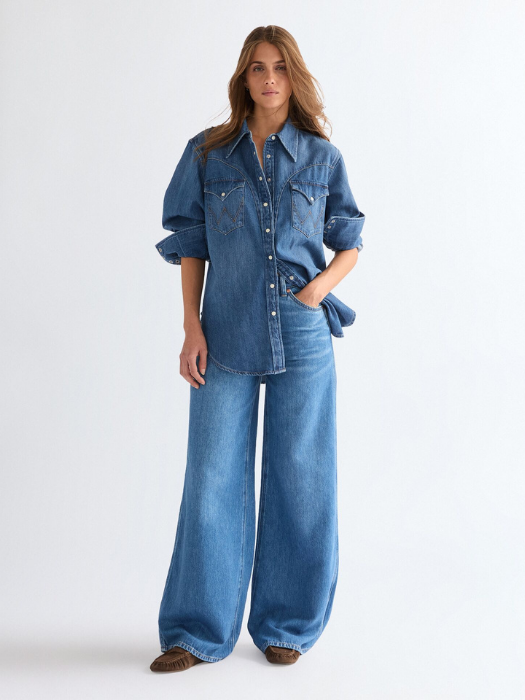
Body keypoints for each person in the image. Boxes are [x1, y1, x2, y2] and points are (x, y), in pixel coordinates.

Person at [150, 25, 365, 673]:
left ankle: (286, 625)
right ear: (242, 78)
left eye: (279, 67)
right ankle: (195, 631)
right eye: (257, 67)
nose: (269, 78)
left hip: (302, 333)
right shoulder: (208, 154)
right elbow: (191, 243)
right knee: (212, 475)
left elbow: (349, 240)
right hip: (224, 330)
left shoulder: (321, 157)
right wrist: (191, 326)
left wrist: (316, 291)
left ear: (293, 77)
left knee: (301, 476)